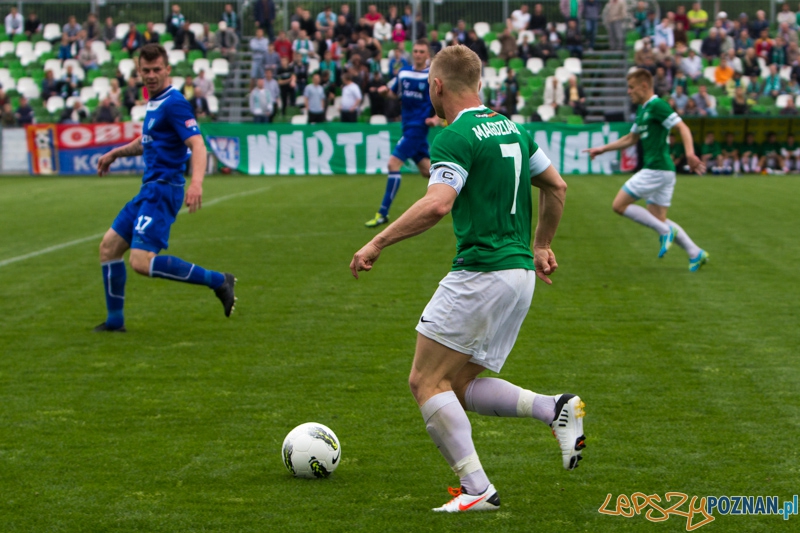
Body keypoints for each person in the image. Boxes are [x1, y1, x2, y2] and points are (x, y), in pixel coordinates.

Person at [351, 44, 583, 513]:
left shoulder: (454, 136)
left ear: (436, 85)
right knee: (455, 384)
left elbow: (438, 204)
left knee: (424, 381)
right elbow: (556, 186)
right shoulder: (515, 129)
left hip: (481, 272)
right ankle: (554, 408)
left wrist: (377, 242)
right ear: (478, 83)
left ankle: (478, 488)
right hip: (519, 276)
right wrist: (540, 245)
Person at [94, 44, 235, 333]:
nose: (151, 75)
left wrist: (196, 183)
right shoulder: (155, 102)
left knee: (142, 262)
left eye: (157, 69)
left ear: (168, 69)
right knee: (108, 248)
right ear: (139, 72)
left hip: (163, 190)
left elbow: (197, 144)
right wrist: (114, 153)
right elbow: (146, 142)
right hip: (149, 190)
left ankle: (219, 281)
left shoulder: (174, 103)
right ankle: (114, 322)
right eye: (145, 70)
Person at [585, 69, 709, 271]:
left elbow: (683, 128)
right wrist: (602, 149)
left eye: (631, 87)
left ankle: (664, 231)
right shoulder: (643, 110)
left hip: (656, 169)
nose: (628, 92)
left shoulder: (658, 105)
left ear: (644, 86)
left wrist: (689, 154)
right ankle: (695, 252)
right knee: (658, 217)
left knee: (619, 205)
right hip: (663, 171)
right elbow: (630, 138)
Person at [364, 40, 437, 227]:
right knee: (427, 171)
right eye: (416, 51)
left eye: (422, 51)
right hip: (406, 125)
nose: (418, 54)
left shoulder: (431, 75)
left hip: (418, 126)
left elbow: (441, 98)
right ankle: (464, 188)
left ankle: (383, 213)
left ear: (427, 55)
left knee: (392, 163)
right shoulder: (403, 72)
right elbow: (393, 93)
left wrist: (436, 118)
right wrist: (383, 92)